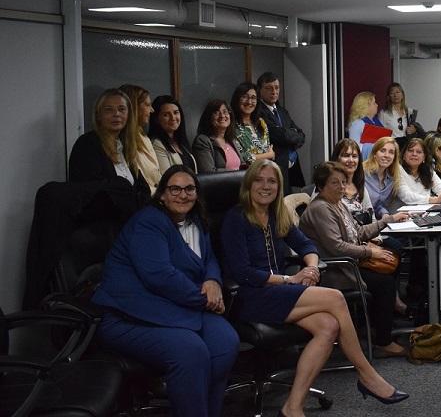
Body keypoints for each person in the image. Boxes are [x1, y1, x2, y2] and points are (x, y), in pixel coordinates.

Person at [220, 160, 408, 416]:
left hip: (277, 292)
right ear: (248, 184)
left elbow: (307, 246)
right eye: (259, 180)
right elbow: (242, 273)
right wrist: (290, 280)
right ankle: (367, 374)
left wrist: (310, 268)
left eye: (272, 181)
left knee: (328, 326)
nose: (266, 186)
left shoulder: (276, 214)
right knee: (335, 299)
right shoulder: (236, 218)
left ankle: (292, 406)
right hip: (249, 296)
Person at [92, 166, 239, 417]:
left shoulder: (198, 220)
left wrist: (213, 280)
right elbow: (160, 277)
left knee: (226, 343)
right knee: (191, 351)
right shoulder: (149, 222)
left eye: (189, 189)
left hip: (178, 306)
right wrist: (208, 300)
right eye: (175, 189)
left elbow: (210, 258)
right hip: (130, 314)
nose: (183, 195)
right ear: (161, 194)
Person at [298, 161, 410, 358]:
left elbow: (358, 232)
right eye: (335, 183)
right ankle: (383, 341)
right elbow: (337, 247)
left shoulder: (337, 204)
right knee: (384, 284)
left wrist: (387, 220)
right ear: (321, 186)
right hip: (335, 270)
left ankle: (378, 328)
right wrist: (370, 253)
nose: (342, 187)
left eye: (343, 182)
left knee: (391, 261)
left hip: (349, 263)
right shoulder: (321, 209)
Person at [69, 88, 145, 191]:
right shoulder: (87, 144)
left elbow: (143, 188)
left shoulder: (124, 144)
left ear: (129, 114)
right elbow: (94, 190)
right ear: (98, 115)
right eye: (109, 109)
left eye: (122, 109)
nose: (116, 114)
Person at [257, 72, 307, 189]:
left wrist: (288, 134)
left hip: (292, 168)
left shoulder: (281, 111)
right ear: (260, 90)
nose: (274, 91)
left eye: (277, 87)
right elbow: (279, 135)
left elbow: (301, 135)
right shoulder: (258, 111)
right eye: (269, 88)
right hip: (275, 166)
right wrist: (289, 133)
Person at [119, 84, 163, 192]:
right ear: (134, 106)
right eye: (147, 105)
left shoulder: (143, 137)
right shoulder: (122, 141)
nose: (152, 110)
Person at [362, 136, 411, 221]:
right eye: (382, 151)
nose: (386, 155)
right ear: (374, 154)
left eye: (391, 152)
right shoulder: (362, 173)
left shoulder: (391, 179)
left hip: (378, 222)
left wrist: (385, 214)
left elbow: (378, 205)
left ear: (394, 157)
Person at [230, 82, 275, 166]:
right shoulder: (231, 125)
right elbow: (244, 159)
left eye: (253, 98)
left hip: (264, 171)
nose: (249, 101)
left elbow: (267, 148)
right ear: (237, 99)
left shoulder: (261, 122)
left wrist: (266, 155)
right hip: (246, 175)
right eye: (244, 97)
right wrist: (269, 155)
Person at [192, 99, 242, 173]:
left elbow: (242, 165)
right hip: (219, 184)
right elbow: (208, 172)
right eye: (216, 113)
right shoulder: (202, 141)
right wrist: (235, 173)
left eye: (225, 112)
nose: (222, 116)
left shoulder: (231, 140)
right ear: (209, 117)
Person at [149, 95, 197, 173]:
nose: (173, 118)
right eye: (166, 115)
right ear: (156, 119)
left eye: (176, 113)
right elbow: (166, 177)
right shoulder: (157, 144)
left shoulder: (181, 142)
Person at [397, 137, 441, 204]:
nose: (414, 154)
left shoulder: (428, 170)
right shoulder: (398, 169)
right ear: (403, 155)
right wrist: (431, 200)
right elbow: (405, 195)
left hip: (426, 210)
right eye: (410, 151)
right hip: (405, 212)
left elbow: (440, 186)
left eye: (419, 152)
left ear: (424, 157)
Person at [346, 91, 384, 160]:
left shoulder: (376, 121)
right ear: (366, 106)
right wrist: (373, 148)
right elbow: (355, 147)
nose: (377, 105)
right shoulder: (357, 123)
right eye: (374, 103)